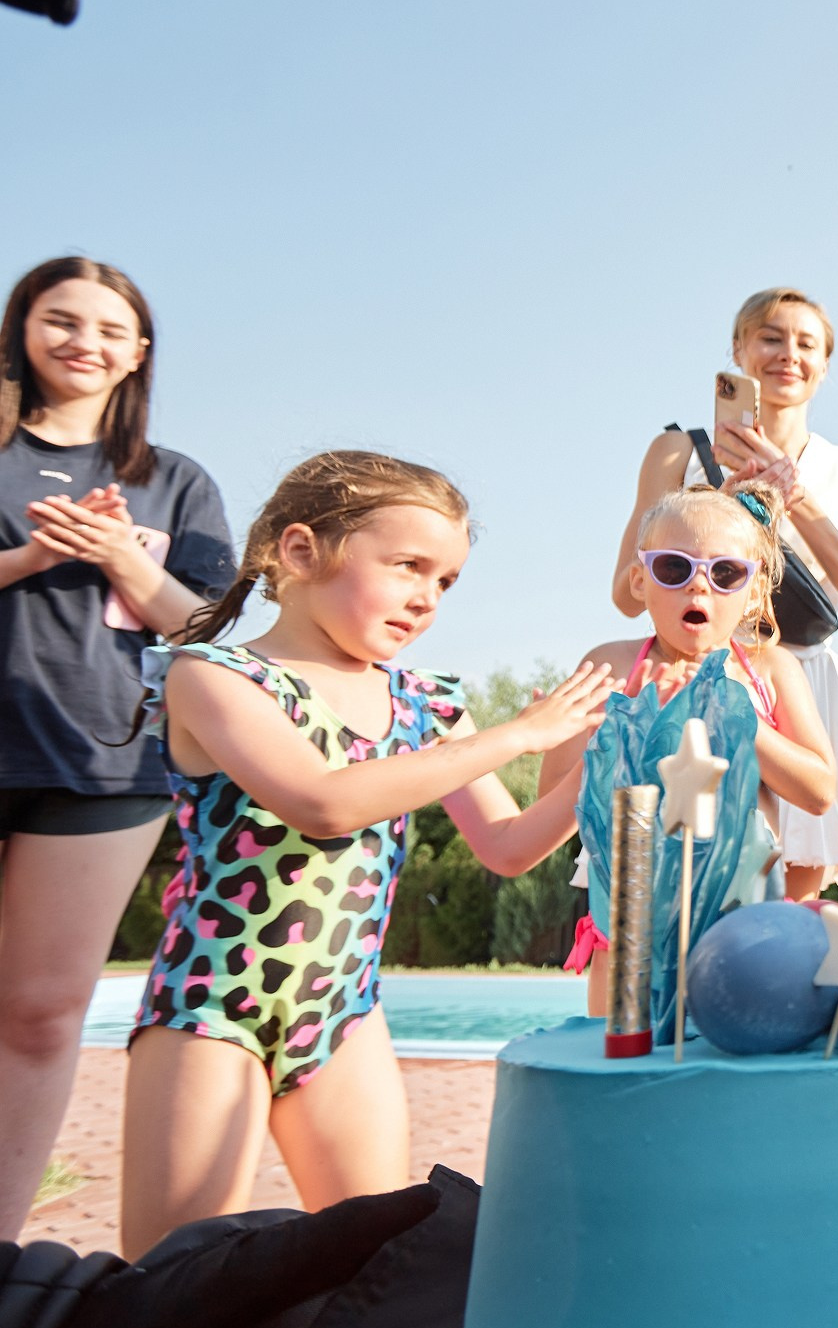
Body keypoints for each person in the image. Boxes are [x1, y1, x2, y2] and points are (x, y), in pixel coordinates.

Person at [120, 453, 610, 1256]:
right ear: (300, 550)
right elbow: (323, 802)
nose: (427, 596)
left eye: (446, 580)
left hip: (342, 1011)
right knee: (171, 1279)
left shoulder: (422, 703)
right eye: (408, 566)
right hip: (211, 1003)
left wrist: (596, 766)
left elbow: (508, 845)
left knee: (375, 1262)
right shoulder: (214, 677)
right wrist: (518, 735)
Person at [0, 257, 233, 1241]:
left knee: (42, 1015)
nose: (83, 342)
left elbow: (208, 628)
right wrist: (33, 555)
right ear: (21, 328)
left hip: (102, 768)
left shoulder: (175, 480)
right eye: (61, 319)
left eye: (108, 328)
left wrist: (122, 558)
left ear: (138, 352)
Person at [614, 286, 838, 896]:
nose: (789, 354)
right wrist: (717, 514)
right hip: (698, 662)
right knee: (679, 861)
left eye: (807, 343)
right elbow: (626, 594)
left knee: (793, 880)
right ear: (737, 349)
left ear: (824, 365)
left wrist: (796, 498)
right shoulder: (678, 452)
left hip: (800, 675)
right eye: (770, 337)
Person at [553, 484, 838, 1005]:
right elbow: (552, 803)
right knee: (623, 1052)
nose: (698, 586)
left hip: (741, 912)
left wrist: (734, 712)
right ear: (639, 579)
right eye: (673, 568)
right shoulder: (611, 668)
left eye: (725, 573)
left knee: (734, 1044)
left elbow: (819, 792)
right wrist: (622, 735)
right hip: (630, 915)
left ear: (755, 591)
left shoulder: (771, 671)